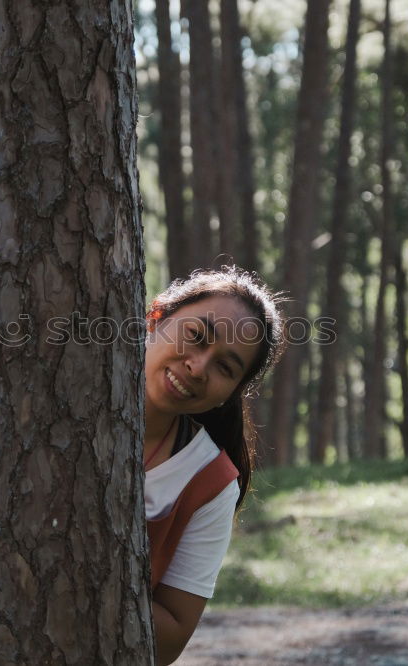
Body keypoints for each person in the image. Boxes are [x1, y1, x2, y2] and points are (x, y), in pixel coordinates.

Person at [143, 266, 287, 665]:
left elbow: (170, 640)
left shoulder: (211, 482)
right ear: (156, 316)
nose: (199, 366)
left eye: (225, 367)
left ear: (232, 394)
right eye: (195, 336)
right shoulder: (58, 398)